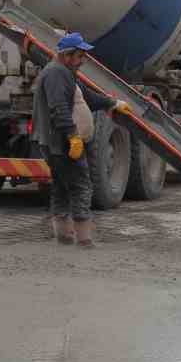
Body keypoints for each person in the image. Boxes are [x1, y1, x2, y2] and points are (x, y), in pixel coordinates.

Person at [32, 32, 129, 247]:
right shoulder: (56, 74)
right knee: (81, 185)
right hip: (61, 142)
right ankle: (84, 239)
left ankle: (64, 236)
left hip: (59, 142)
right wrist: (73, 136)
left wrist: (110, 103)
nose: (83, 60)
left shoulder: (65, 72)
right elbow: (59, 109)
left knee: (61, 186)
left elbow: (85, 96)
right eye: (80, 56)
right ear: (67, 55)